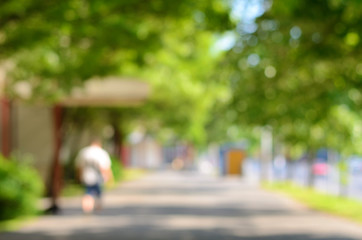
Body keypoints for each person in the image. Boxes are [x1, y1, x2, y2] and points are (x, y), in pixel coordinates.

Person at [75, 139, 113, 213]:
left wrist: (78, 176)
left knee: (88, 192)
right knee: (98, 192)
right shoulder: (101, 152)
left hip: (86, 176)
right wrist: (109, 177)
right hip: (98, 177)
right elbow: (105, 167)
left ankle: (87, 207)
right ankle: (98, 207)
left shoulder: (84, 152)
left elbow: (79, 166)